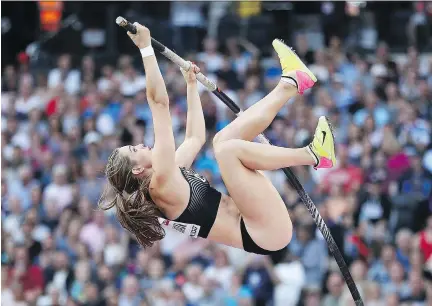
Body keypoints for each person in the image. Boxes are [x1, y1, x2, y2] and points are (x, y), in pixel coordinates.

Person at [99, 22, 336, 255]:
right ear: (138, 169)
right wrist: (145, 49)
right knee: (227, 151)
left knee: (221, 141)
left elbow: (194, 138)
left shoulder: (168, 177)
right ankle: (313, 154)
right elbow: (159, 104)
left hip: (258, 221)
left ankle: (293, 82)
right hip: (262, 231)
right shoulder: (160, 184)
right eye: (133, 149)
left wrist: (191, 85)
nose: (140, 144)